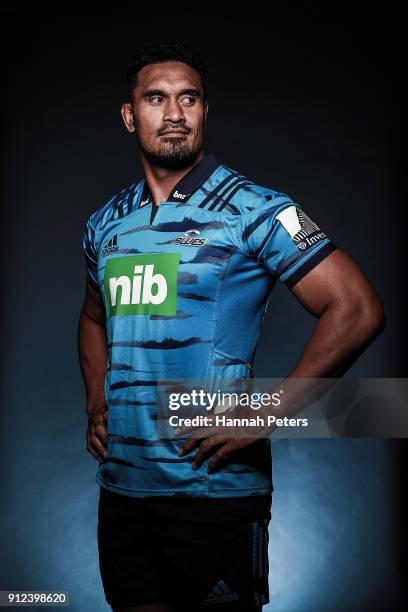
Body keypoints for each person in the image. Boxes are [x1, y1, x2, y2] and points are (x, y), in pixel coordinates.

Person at [78, 40, 385, 612]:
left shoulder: (259, 209)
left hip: (212, 489)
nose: (174, 114)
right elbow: (95, 317)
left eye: (188, 98)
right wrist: (96, 400)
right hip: (123, 493)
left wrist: (268, 412)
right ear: (129, 115)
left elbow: (358, 309)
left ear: (204, 111)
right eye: (156, 98)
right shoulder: (105, 224)